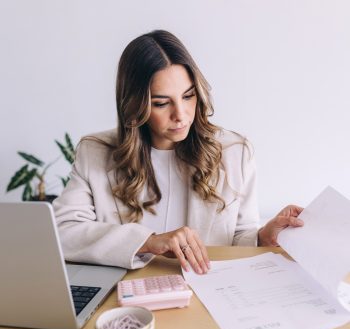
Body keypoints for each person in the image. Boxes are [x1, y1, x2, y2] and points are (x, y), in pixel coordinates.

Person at [53, 30, 303, 275]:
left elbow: (237, 238)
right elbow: (63, 233)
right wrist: (148, 241)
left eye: (188, 96)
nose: (181, 115)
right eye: (161, 103)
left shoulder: (235, 153)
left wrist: (262, 237)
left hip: (206, 296)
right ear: (133, 105)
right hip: (126, 297)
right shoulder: (94, 152)